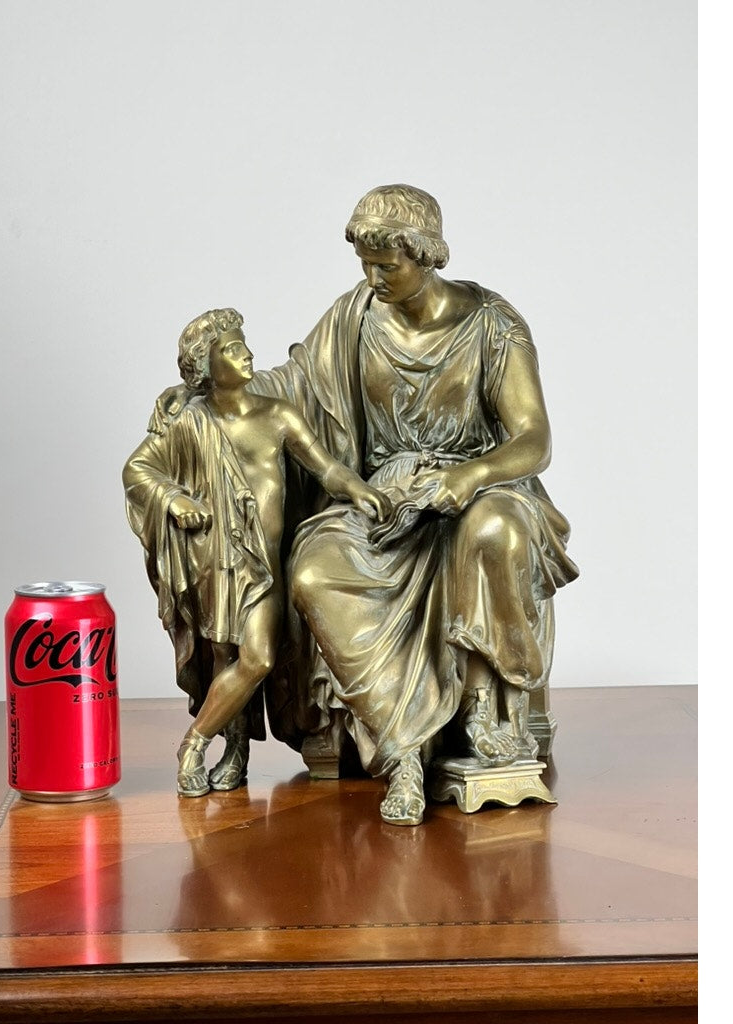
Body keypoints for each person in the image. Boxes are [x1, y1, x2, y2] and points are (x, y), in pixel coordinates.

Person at [151, 185, 578, 827]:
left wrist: (469, 477)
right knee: (317, 570)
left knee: (495, 530)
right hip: (384, 498)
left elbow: (534, 439)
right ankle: (401, 745)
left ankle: (491, 719)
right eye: (365, 266)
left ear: (427, 254)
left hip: (479, 487)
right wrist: (212, 395)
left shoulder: (493, 325)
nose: (373, 279)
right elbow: (293, 384)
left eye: (388, 266)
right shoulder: (356, 315)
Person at [123, 308, 391, 798]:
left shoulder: (277, 414)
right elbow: (137, 470)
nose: (245, 352)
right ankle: (237, 753)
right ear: (205, 367)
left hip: (263, 566)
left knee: (258, 657)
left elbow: (325, 469)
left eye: (243, 343)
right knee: (222, 657)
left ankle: (192, 745)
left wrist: (358, 490)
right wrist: (175, 498)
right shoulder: (190, 422)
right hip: (213, 559)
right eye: (230, 348)